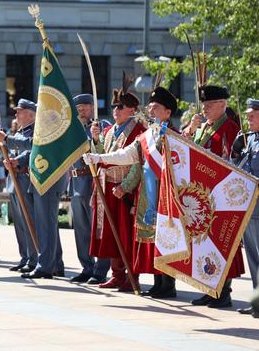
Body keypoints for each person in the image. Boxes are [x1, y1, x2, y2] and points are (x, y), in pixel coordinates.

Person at [84, 87, 179, 298]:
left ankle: (168, 283)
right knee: (152, 237)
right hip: (148, 194)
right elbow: (127, 155)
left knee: (165, 238)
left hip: (166, 195)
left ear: (168, 112)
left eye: (155, 108)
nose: (151, 112)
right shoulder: (148, 134)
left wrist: (125, 185)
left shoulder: (174, 135)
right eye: (151, 108)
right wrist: (99, 158)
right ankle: (158, 281)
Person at [185, 85, 245, 308]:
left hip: (220, 196)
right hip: (202, 196)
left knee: (222, 244)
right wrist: (191, 129)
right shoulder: (202, 128)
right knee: (204, 245)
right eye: (204, 104)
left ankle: (223, 292)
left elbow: (232, 162)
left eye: (210, 104)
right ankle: (208, 288)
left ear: (223, 104)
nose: (205, 108)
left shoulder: (230, 128)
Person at [88, 76, 145, 291]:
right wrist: (95, 140)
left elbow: (138, 163)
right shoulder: (110, 130)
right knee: (111, 234)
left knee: (127, 234)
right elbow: (101, 156)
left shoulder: (139, 131)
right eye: (114, 107)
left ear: (131, 109)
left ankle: (132, 276)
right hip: (107, 185)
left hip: (126, 189)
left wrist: (126, 186)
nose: (115, 111)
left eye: (120, 107)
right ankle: (117, 274)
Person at [68, 93, 111, 285]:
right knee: (81, 230)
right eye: (79, 109)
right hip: (76, 182)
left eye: (86, 108)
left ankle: (101, 270)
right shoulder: (72, 130)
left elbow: (106, 151)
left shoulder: (101, 127)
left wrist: (95, 136)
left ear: (92, 108)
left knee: (98, 228)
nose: (83, 112)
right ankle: (86, 267)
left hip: (93, 182)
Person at [0, 99, 38, 273]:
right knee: (19, 223)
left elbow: (31, 152)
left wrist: (16, 161)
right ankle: (25, 256)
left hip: (25, 179)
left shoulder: (34, 132)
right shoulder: (20, 132)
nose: (16, 115)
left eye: (20, 111)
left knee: (29, 222)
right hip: (14, 181)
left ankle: (34, 258)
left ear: (30, 114)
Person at [234, 98, 259, 317]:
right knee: (253, 256)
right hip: (250, 206)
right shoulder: (248, 139)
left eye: (252, 115)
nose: (248, 119)